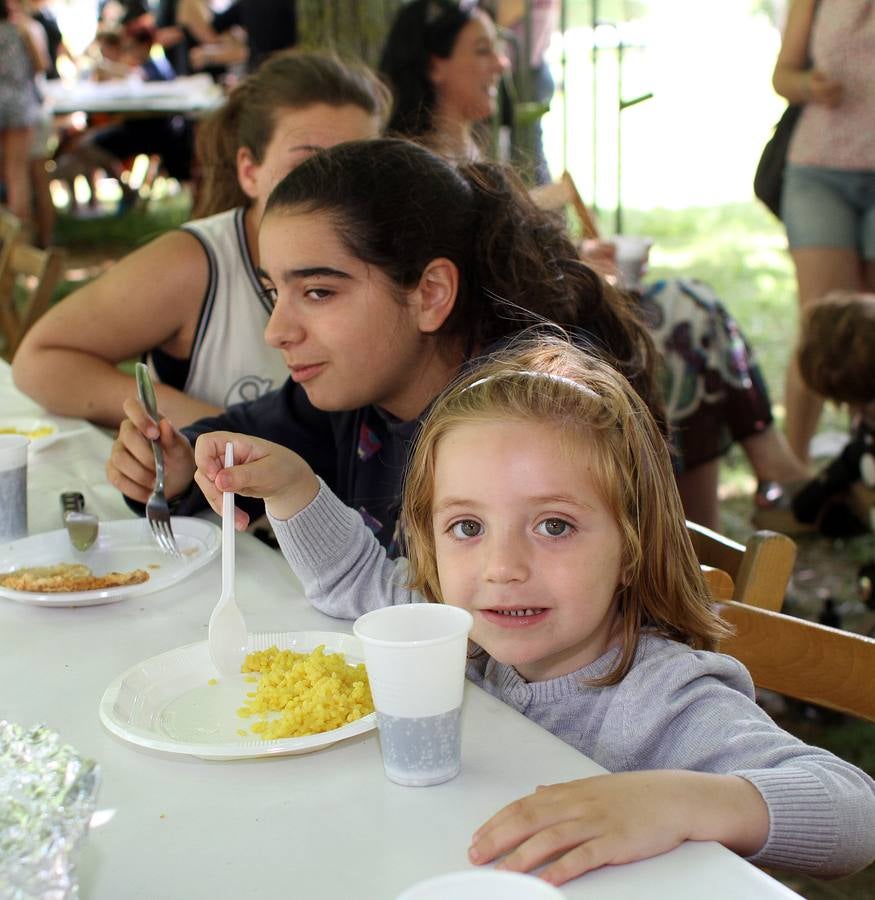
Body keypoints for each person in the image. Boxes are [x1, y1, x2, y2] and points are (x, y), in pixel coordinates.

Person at [191, 335, 875, 885]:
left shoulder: (665, 699)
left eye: (552, 525)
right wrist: (293, 489)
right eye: (467, 527)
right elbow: (353, 582)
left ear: (631, 547)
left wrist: (678, 801)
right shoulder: (459, 632)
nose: (502, 569)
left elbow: (852, 812)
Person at [104, 138, 663, 548]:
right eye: (275, 291)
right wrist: (179, 467)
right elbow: (244, 440)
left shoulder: (528, 431)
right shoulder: (356, 398)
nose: (277, 330)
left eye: (319, 291)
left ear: (429, 293)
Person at [11, 50, 389, 429]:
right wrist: (221, 428)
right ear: (249, 171)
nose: (338, 190)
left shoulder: (397, 267)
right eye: (306, 166)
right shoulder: (199, 263)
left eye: (359, 166)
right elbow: (41, 359)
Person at [772, 0, 875, 464]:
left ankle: (863, 459)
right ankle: (792, 473)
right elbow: (783, 77)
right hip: (819, 170)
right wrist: (809, 85)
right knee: (820, 326)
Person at [379, 0, 506, 163]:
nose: (500, 65)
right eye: (483, 51)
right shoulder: (417, 169)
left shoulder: (469, 152)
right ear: (433, 67)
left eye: (496, 49)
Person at [0, 0, 44, 224]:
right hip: (18, 104)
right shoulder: (20, 31)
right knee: (17, 174)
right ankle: (19, 241)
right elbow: (40, 65)